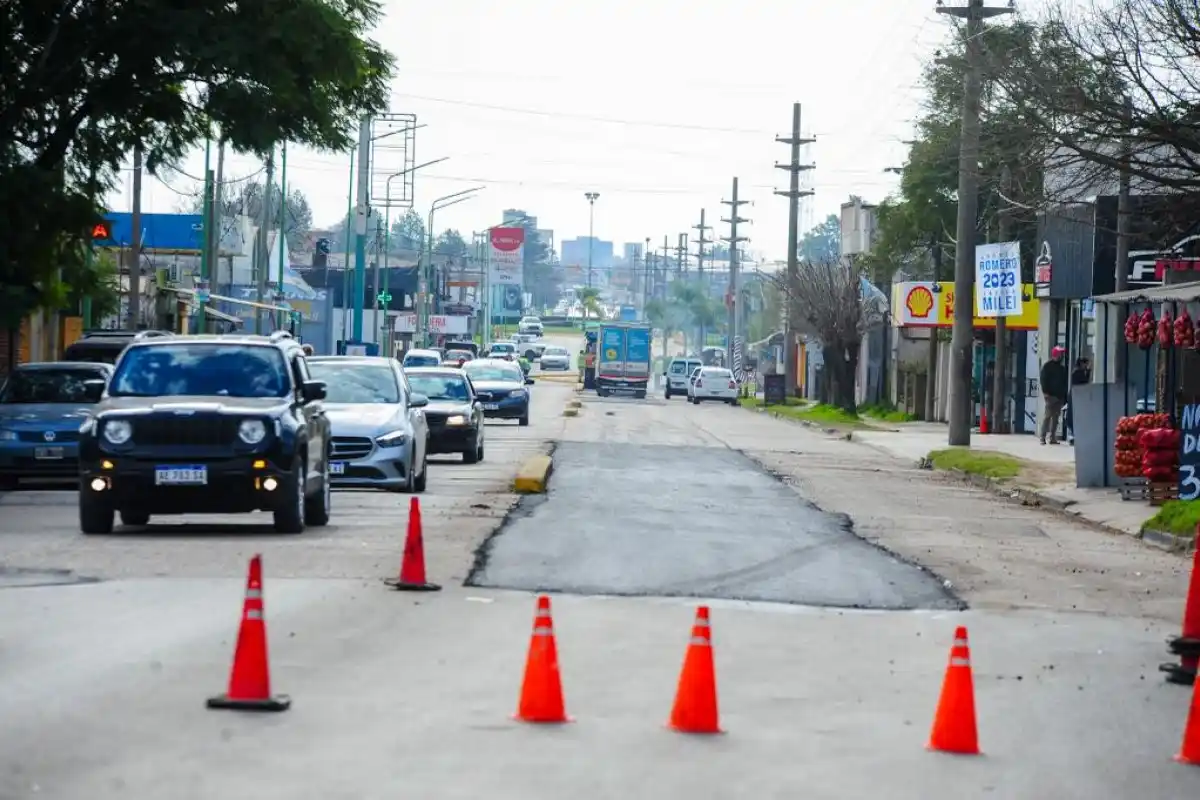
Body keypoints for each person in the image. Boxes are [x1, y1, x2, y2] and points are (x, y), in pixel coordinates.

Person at [1039, 346, 1069, 445]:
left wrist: (1063, 395)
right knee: (1047, 416)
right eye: (1060, 354)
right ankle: (1042, 437)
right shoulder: (1047, 366)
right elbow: (1043, 380)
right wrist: (1045, 393)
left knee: (1056, 418)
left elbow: (1064, 382)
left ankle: (1052, 437)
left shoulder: (1062, 368)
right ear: (1055, 354)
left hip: (1059, 396)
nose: (1062, 356)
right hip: (1050, 396)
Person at [1064, 356, 1091, 444]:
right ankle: (1072, 435)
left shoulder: (1078, 371)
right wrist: (1088, 372)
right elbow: (1085, 382)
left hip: (1076, 395)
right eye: (1086, 364)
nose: (1086, 366)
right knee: (1073, 415)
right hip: (1075, 395)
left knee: (1074, 414)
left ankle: (1073, 435)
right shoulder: (1078, 372)